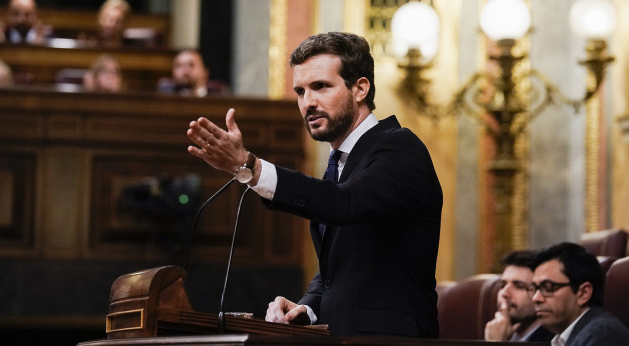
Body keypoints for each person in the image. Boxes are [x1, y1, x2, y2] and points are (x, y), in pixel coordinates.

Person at [186, 32, 442, 337]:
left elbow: (343, 204)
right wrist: (306, 309)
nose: (308, 103)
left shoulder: (400, 149)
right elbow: (338, 270)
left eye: (320, 87)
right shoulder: (340, 166)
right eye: (300, 91)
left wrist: (251, 168)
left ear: (360, 88)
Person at [530, 242, 629, 346]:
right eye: (534, 288)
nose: (536, 298)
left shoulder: (602, 336)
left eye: (548, 287)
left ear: (583, 293)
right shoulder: (570, 336)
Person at [484, 250, 554, 342]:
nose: (504, 293)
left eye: (519, 286)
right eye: (503, 285)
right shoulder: (501, 332)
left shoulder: (553, 340)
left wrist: (496, 343)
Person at [158, 49, 228, 97]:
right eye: (179, 66)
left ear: (205, 72)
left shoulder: (217, 95)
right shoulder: (167, 95)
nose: (185, 71)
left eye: (191, 65)